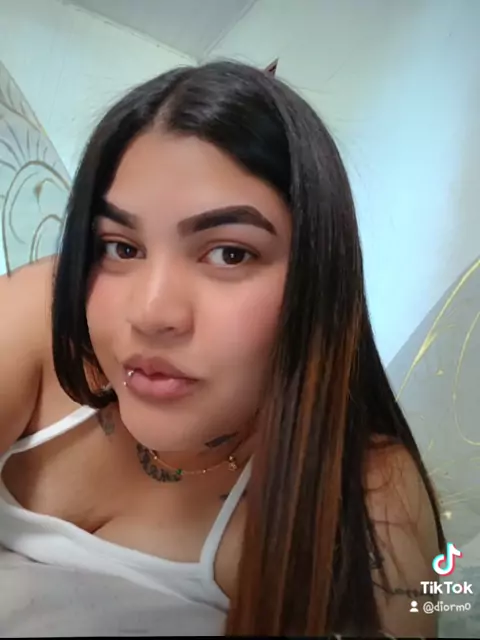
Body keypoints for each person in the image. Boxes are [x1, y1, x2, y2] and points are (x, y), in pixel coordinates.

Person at [0, 61, 444, 637]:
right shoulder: (43, 307)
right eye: (121, 247)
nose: (151, 313)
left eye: (229, 254)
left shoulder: (366, 493)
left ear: (317, 279)